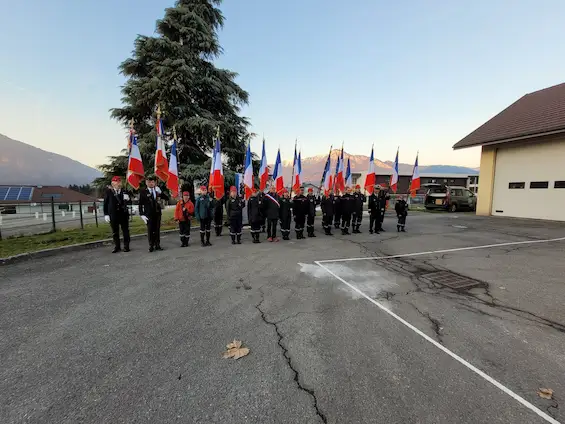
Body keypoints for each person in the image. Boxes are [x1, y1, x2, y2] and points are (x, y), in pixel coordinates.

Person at [139, 175, 169, 252]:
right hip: (148, 214)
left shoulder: (157, 190)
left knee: (157, 229)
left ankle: (157, 245)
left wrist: (161, 192)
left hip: (157, 213)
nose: (151, 183)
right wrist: (142, 214)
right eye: (149, 182)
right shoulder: (143, 191)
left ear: (155, 182)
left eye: (153, 182)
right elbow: (140, 204)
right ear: (146, 183)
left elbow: (166, 198)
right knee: (150, 230)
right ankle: (151, 245)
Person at [103, 176, 131, 253]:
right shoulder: (108, 192)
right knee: (115, 232)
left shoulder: (125, 191)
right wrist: (106, 214)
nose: (118, 184)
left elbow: (130, 203)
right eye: (116, 182)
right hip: (113, 215)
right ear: (112, 183)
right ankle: (117, 247)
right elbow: (105, 204)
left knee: (125, 231)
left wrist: (128, 199)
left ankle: (126, 246)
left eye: (119, 182)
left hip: (123, 215)